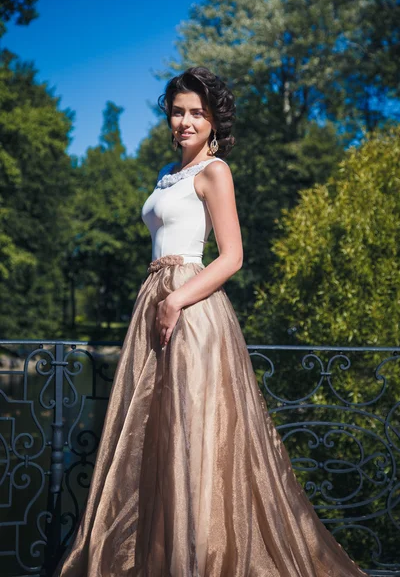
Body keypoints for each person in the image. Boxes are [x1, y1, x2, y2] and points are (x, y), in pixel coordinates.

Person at [53, 66, 369, 576]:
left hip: (193, 312)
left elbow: (232, 257)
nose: (185, 121)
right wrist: (159, 299)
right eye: (177, 111)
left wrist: (176, 301)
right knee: (151, 437)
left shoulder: (215, 171)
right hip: (152, 307)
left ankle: (200, 561)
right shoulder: (166, 175)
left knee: (194, 434)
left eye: (196, 113)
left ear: (214, 120)